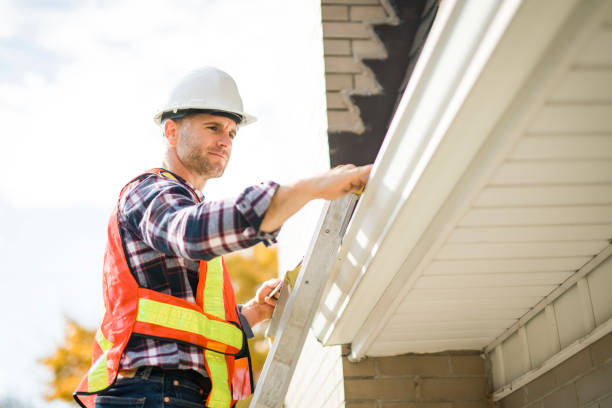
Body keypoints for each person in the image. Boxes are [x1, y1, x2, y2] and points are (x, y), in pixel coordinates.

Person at [74, 67, 371, 408]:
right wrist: (310, 189)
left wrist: (253, 312)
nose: (225, 141)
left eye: (232, 132)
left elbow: (185, 327)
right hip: (153, 393)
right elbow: (190, 232)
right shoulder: (150, 192)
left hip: (170, 393)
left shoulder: (185, 201)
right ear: (171, 131)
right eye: (213, 127)